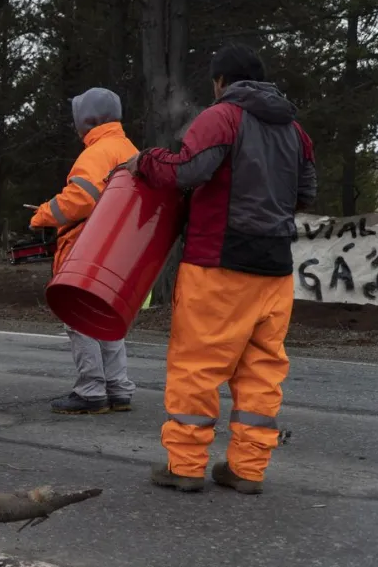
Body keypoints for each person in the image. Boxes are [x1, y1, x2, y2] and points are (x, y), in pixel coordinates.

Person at [125, 43, 317, 494]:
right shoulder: (295, 129)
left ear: (220, 81)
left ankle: (187, 466)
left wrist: (147, 161)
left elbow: (188, 171)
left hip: (218, 263)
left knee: (197, 364)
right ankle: (247, 469)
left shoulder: (222, 116)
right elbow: (305, 193)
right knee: (261, 370)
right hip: (274, 269)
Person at [30, 87, 140, 415]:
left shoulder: (95, 153)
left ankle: (91, 389)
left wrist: (41, 215)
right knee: (105, 315)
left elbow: (81, 198)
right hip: (118, 249)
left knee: (79, 317)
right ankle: (118, 388)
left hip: (87, 248)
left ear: (87, 120)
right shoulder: (129, 148)